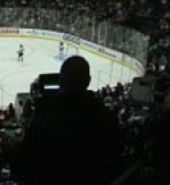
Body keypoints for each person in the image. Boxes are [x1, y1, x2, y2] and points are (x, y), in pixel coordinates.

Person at [15, 56, 122, 185]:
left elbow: (24, 165)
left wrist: (27, 121)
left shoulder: (47, 117)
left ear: (61, 81)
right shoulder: (104, 116)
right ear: (88, 81)